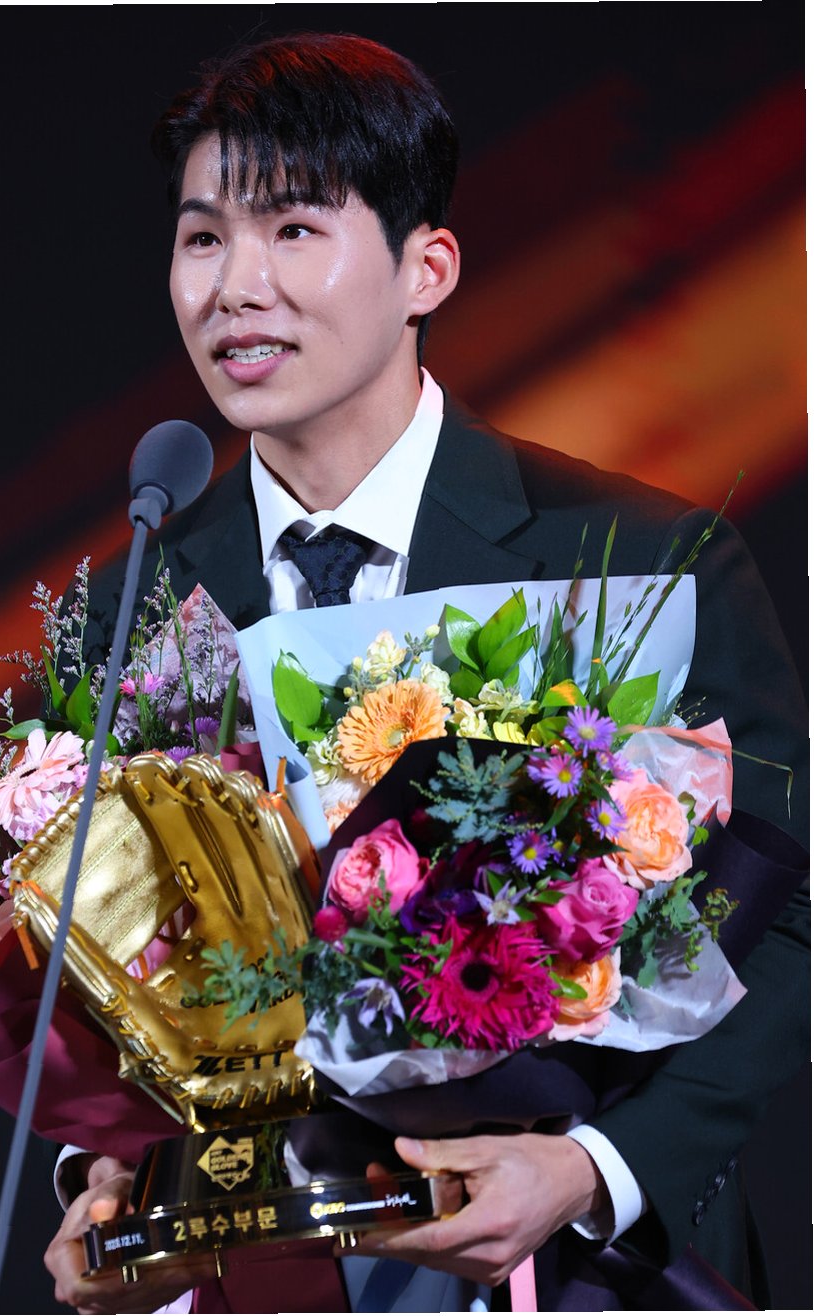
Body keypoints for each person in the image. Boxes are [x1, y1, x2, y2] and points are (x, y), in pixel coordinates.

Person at [43, 31, 809, 1314]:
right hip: (273, 1276)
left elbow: (786, 918)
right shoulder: (130, 606)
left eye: (293, 229)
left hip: (585, 1271)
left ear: (425, 268)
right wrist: (105, 1177)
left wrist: (593, 1164)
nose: (235, 285)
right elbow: (90, 970)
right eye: (202, 237)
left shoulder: (638, 559)